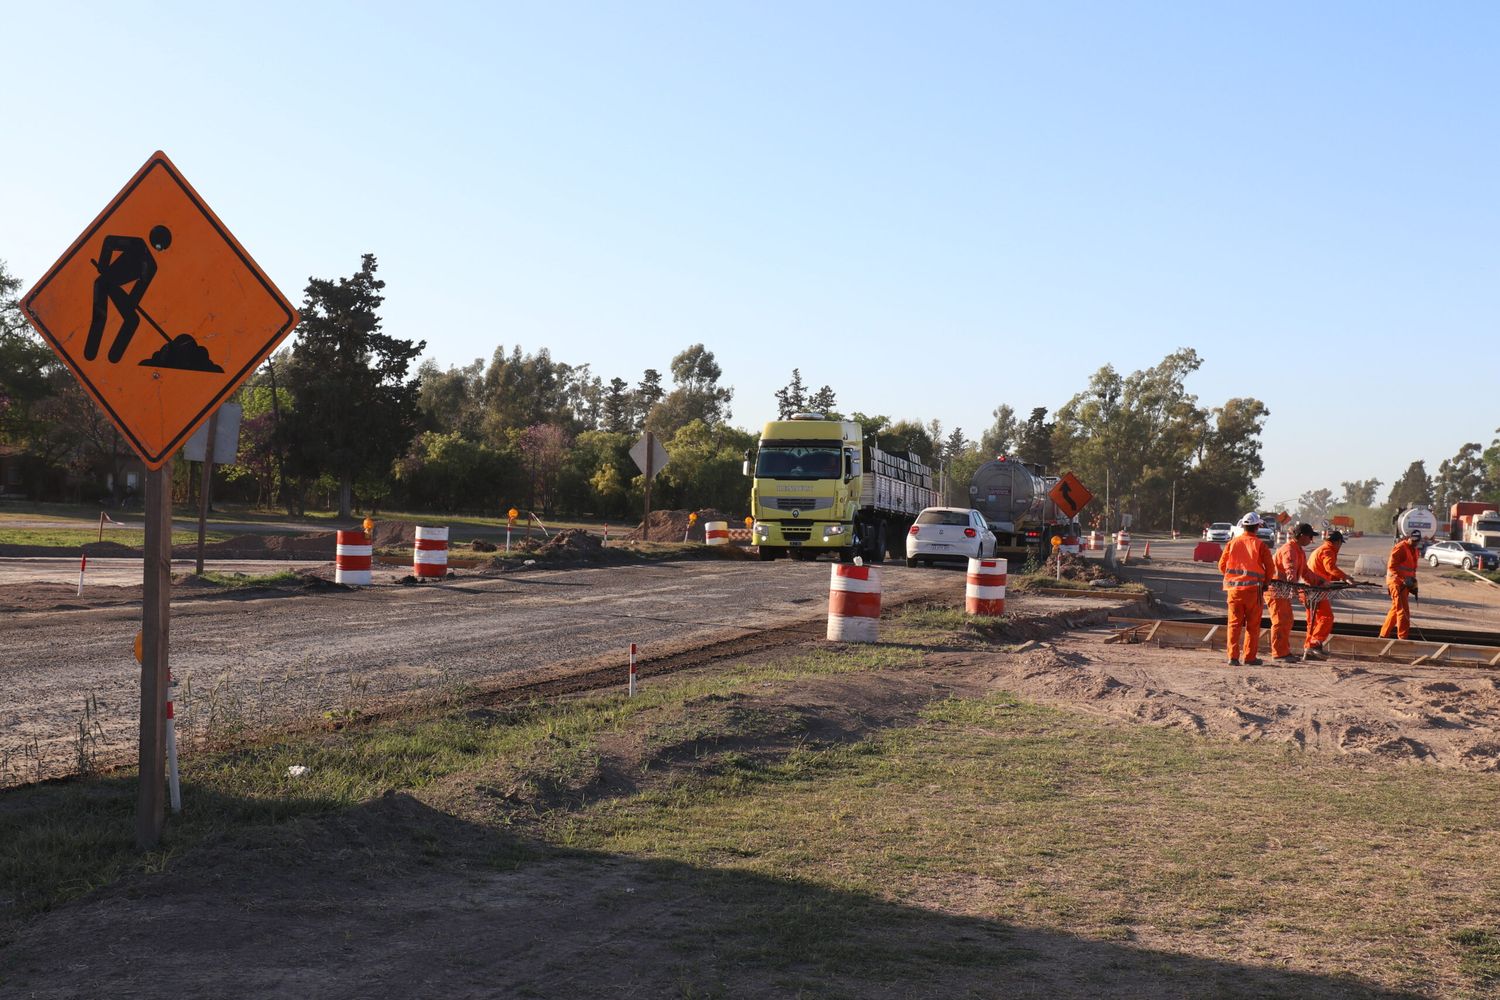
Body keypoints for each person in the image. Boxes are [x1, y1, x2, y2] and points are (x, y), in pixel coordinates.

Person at [1218, 511, 1275, 666]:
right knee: (1252, 626)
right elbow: (1270, 568)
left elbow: (1222, 565)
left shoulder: (1232, 543)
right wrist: (1265, 583)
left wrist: (1233, 578)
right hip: (1253, 592)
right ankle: (1249, 657)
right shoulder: (1260, 545)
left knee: (1234, 624)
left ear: (1243, 526)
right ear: (1257, 527)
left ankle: (1233, 657)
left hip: (1234, 592)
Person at [1266, 523, 1326, 663]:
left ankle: (1283, 651)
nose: (1311, 540)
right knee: (1281, 621)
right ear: (1302, 536)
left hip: (1283, 590)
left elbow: (1305, 572)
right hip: (1276, 590)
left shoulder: (1298, 550)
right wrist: (1295, 590)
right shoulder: (1289, 550)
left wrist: (1321, 582)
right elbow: (1290, 572)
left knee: (1287, 620)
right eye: (1310, 537)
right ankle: (1279, 654)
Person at [1305, 530, 1354, 658]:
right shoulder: (1328, 550)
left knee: (1313, 621)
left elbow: (1324, 570)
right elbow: (1330, 567)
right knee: (1326, 617)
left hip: (1310, 589)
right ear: (1337, 542)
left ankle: (1309, 648)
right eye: (1340, 543)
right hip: (1317, 590)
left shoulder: (1320, 549)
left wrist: (1336, 579)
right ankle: (1314, 645)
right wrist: (1345, 577)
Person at [1379, 529, 1423, 639]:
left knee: (1396, 609)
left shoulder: (1415, 551)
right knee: (1403, 612)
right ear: (1408, 538)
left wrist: (1414, 583)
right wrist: (1403, 580)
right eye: (1412, 540)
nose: (1414, 542)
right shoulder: (1400, 548)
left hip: (1405, 585)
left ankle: (1383, 636)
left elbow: (1411, 569)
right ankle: (1402, 640)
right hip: (1396, 583)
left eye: (1416, 541)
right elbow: (1391, 567)